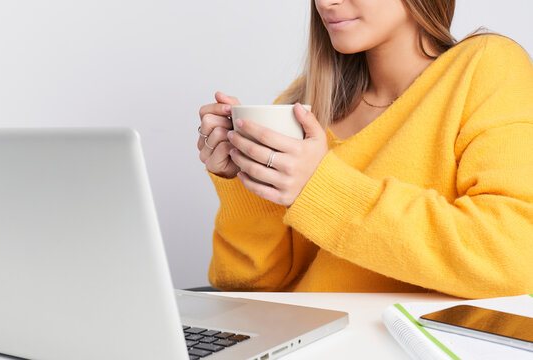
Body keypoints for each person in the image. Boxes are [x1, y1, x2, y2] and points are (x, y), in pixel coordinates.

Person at [197, 0, 533, 299]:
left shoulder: (485, 66)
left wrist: (320, 189)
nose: (325, 3)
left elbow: (515, 254)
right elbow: (247, 286)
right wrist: (243, 177)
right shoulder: (302, 103)